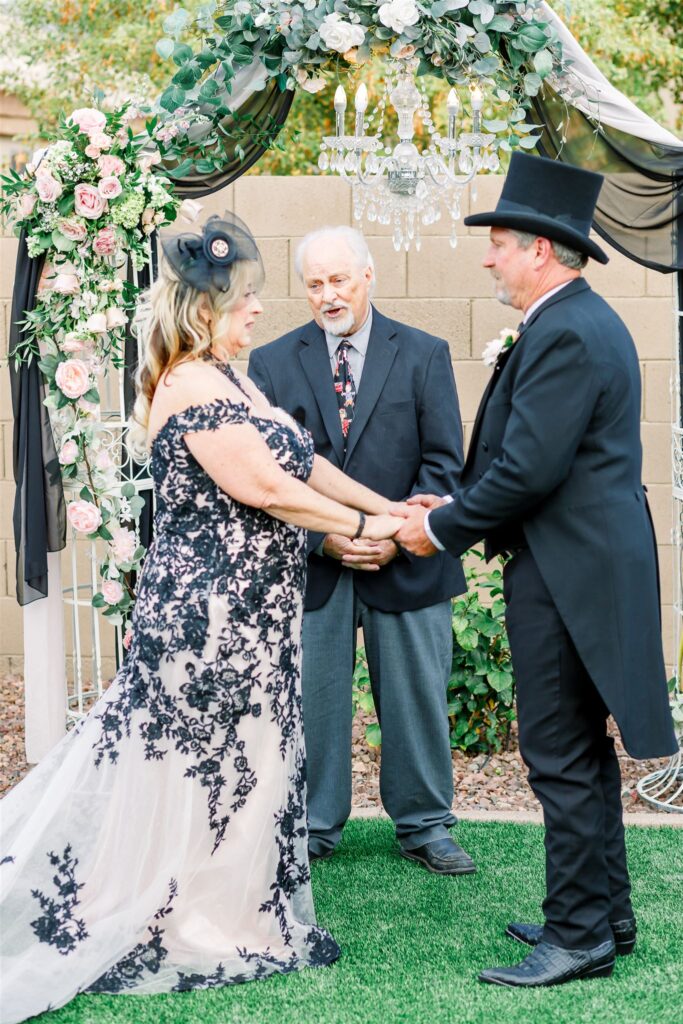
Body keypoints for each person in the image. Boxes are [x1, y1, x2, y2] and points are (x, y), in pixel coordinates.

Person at [0, 214, 401, 1024]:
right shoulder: (184, 382)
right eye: (245, 299)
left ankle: (233, 908)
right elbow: (268, 490)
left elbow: (306, 462)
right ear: (205, 307)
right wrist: (367, 531)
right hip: (205, 618)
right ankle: (184, 915)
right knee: (198, 764)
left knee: (250, 760)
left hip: (254, 617)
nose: (259, 311)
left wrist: (382, 504)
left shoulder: (236, 378)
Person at [394, 153, 678, 987]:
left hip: (568, 578)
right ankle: (606, 915)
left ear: (542, 253)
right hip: (580, 567)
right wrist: (438, 507)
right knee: (580, 752)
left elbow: (527, 473)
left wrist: (436, 529)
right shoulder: (576, 323)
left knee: (557, 752)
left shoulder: (564, 331)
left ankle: (579, 934)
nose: (488, 257)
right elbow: (524, 461)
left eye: (501, 244)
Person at [248, 226, 475, 875]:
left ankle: (425, 824)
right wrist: (324, 536)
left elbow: (443, 465)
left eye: (339, 280)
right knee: (311, 699)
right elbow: (269, 476)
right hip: (314, 562)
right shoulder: (271, 362)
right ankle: (314, 824)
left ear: (368, 275)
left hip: (405, 559)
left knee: (415, 698)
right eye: (314, 284)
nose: (327, 295)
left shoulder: (424, 353)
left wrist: (396, 536)